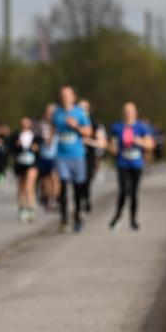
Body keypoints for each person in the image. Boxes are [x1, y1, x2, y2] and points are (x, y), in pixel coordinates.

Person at [109, 102, 154, 231]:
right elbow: (111, 145)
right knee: (123, 191)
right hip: (122, 163)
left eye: (131, 110)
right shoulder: (117, 127)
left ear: (135, 112)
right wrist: (113, 148)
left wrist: (139, 141)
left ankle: (133, 220)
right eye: (126, 111)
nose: (128, 113)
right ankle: (117, 216)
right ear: (123, 112)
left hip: (136, 164)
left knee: (134, 193)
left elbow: (150, 145)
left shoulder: (142, 127)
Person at [52, 86, 92, 233]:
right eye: (62, 95)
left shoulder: (80, 112)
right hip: (61, 155)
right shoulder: (57, 113)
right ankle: (63, 219)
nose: (65, 97)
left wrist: (76, 126)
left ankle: (77, 217)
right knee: (62, 184)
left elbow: (88, 132)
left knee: (77, 187)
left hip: (77, 155)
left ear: (73, 97)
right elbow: (53, 129)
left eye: (68, 95)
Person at [77, 98, 107, 213]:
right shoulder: (72, 121)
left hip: (89, 155)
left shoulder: (95, 123)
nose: (81, 110)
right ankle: (80, 201)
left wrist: (88, 141)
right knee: (78, 180)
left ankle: (86, 198)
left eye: (84, 108)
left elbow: (102, 143)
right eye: (79, 108)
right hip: (75, 156)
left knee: (87, 179)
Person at [11, 117, 41, 222]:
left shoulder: (36, 136)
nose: (24, 125)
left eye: (26, 123)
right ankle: (22, 207)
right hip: (20, 163)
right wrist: (16, 146)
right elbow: (10, 150)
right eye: (22, 123)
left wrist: (36, 148)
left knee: (29, 185)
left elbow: (41, 149)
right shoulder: (15, 136)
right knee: (22, 187)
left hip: (32, 164)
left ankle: (31, 206)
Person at [36, 104, 59, 211]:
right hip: (44, 155)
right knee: (46, 179)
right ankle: (48, 198)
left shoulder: (59, 125)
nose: (50, 115)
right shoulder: (41, 125)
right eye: (49, 113)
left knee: (54, 177)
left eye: (52, 113)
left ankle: (55, 198)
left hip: (56, 155)